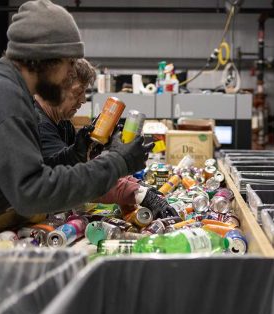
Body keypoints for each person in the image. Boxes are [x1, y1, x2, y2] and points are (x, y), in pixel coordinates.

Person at [0, 0, 151, 231]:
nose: (68, 74)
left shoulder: (8, 92)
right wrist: (117, 162)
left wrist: (75, 153)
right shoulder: (1, 96)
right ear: (46, 59)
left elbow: (35, 171)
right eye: (69, 62)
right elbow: (33, 193)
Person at [35, 58, 176, 218]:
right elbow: (78, 180)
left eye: (84, 93)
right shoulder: (39, 125)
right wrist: (140, 194)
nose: (82, 100)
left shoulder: (63, 123)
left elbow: (88, 166)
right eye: (77, 92)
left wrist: (135, 183)